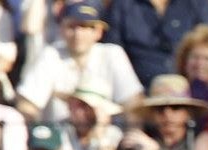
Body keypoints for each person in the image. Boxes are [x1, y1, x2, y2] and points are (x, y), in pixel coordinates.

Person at [14, 0, 143, 123]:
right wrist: (38, 132)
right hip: (60, 133)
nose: (78, 34)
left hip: (108, 132)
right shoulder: (51, 54)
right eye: (72, 26)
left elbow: (133, 103)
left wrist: (132, 132)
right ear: (61, 29)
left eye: (85, 26)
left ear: (98, 32)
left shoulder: (112, 54)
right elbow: (27, 104)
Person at [103, 0, 208, 86]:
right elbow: (114, 53)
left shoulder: (196, 4)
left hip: (190, 88)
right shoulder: (123, 5)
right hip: (138, 89)